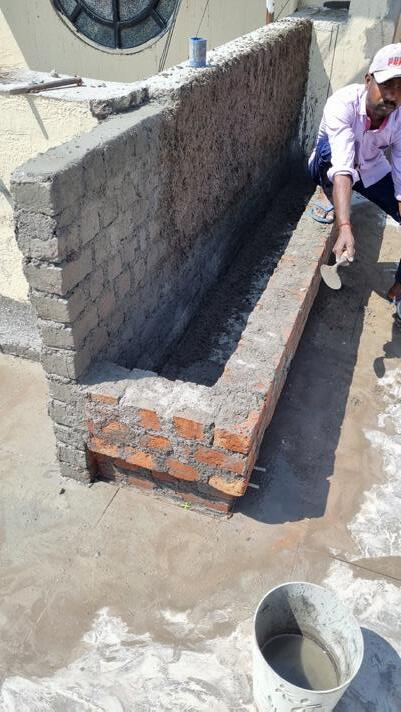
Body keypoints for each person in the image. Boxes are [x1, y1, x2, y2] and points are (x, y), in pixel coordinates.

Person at [308, 43, 401, 303]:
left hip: (370, 168)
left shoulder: (399, 117)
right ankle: (329, 194)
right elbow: (342, 167)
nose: (393, 96)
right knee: (329, 151)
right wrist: (345, 226)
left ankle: (399, 288)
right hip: (330, 166)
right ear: (368, 80)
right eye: (387, 85)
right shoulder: (343, 104)